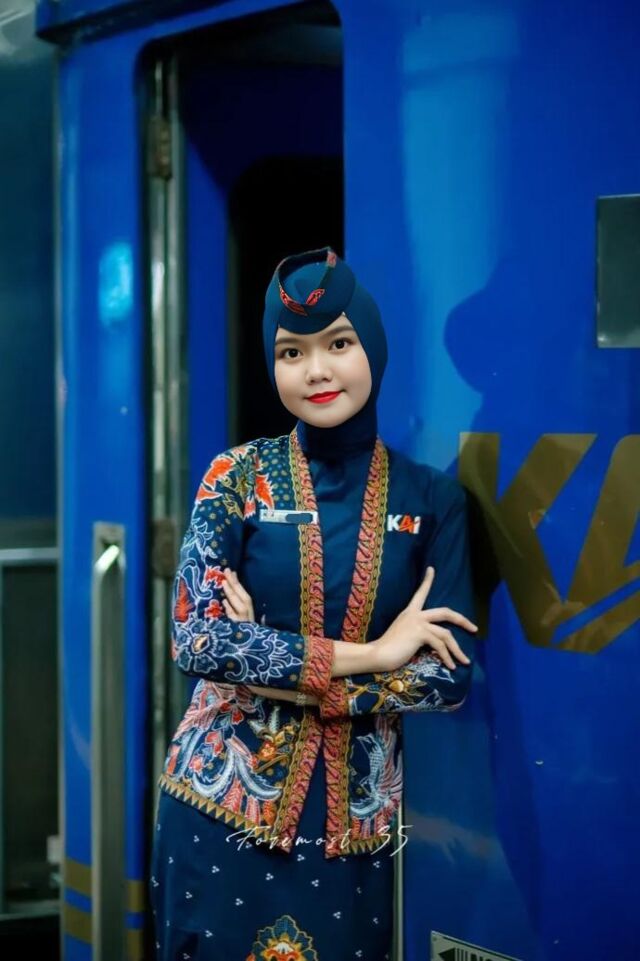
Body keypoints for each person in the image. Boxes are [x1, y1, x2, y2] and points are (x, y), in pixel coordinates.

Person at [150, 247, 477, 961]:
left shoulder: (432, 499)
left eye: (339, 343)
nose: (317, 371)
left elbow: (447, 677)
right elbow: (197, 641)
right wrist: (379, 653)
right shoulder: (236, 478)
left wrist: (267, 670)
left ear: (373, 347)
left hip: (352, 833)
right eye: (291, 352)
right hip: (218, 813)